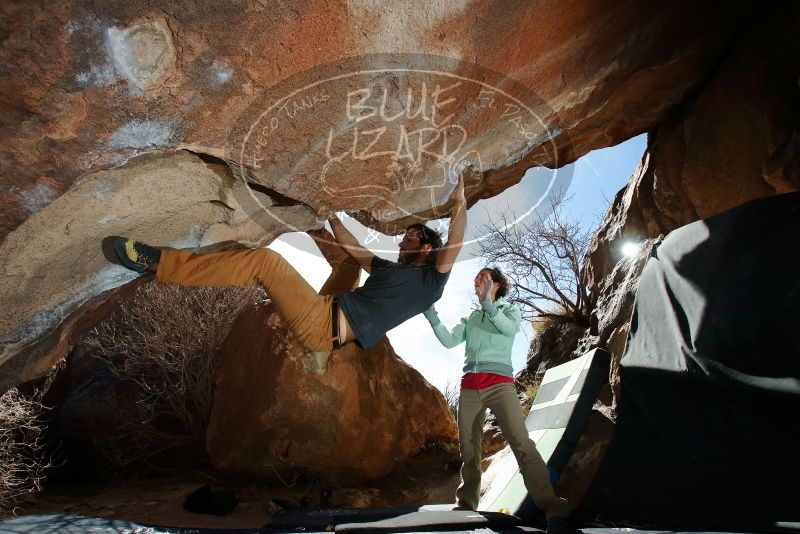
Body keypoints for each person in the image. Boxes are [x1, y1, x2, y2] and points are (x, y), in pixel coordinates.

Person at [102, 177, 467, 352]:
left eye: (410, 236)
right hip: (332, 308)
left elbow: (454, 243)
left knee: (266, 262)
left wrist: (460, 202)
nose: (402, 239)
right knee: (346, 265)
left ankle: (159, 264)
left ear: (426, 246)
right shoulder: (391, 270)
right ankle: (308, 219)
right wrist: (330, 216)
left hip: (325, 327)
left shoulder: (431, 284)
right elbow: (354, 250)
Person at [423, 267, 571, 532]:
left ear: (498, 284)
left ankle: (551, 505)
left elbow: (507, 329)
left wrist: (489, 304)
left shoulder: (508, 311)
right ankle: (467, 505)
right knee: (469, 450)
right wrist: (430, 312)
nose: (477, 279)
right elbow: (448, 341)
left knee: (521, 442)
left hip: (500, 385)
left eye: (484, 276)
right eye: (476, 276)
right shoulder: (471, 318)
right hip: (470, 387)